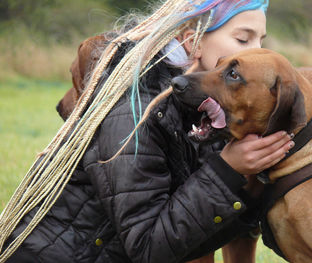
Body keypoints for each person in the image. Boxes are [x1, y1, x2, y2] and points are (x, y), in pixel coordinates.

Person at [1, 0, 294, 262]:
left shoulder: (198, 109)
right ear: (193, 41)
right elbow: (147, 248)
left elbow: (195, 232)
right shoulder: (134, 110)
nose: (258, 52)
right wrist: (225, 171)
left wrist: (249, 180)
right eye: (243, 39)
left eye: (261, 40)